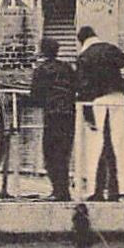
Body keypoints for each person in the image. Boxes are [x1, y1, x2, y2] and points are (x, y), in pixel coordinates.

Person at [74, 25, 124, 202]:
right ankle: (119, 189)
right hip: (118, 98)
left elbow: (83, 87)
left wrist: (87, 115)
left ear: (81, 41)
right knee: (117, 144)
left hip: (98, 102)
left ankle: (97, 190)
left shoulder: (84, 57)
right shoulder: (109, 48)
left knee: (96, 147)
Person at [27, 36, 76, 200]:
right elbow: (75, 87)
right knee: (64, 153)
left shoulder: (41, 70)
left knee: (50, 154)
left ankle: (58, 191)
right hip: (69, 114)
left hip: (53, 115)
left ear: (42, 51)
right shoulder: (67, 67)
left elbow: (35, 96)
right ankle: (64, 191)